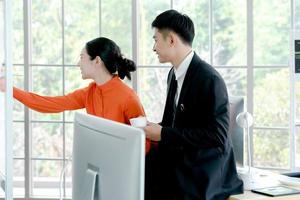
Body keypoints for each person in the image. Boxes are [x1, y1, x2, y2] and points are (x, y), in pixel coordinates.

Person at [143, 10, 243, 200]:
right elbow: (170, 123)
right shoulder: (173, 74)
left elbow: (217, 136)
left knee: (160, 180)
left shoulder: (209, 79)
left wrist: (163, 133)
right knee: (142, 168)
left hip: (206, 166)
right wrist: (151, 129)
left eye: (156, 40)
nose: (153, 47)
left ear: (171, 40)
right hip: (185, 154)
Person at [0, 37, 151, 153]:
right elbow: (49, 104)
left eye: (82, 57)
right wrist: (9, 88)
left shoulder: (128, 98)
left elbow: (146, 144)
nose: (78, 64)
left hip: (127, 173)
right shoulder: (89, 93)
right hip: (102, 166)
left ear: (97, 61)